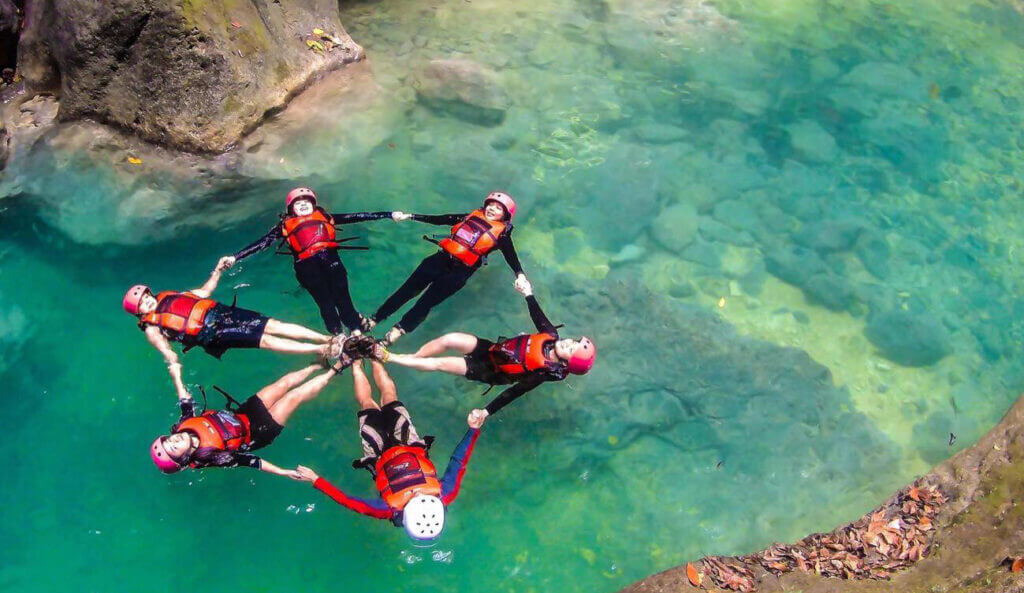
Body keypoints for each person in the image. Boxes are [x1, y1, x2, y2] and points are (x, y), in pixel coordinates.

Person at [293, 359, 487, 541]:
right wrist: (473, 429)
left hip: (378, 455)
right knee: (390, 398)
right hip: (409, 445)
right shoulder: (446, 492)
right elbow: (458, 461)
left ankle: (356, 365)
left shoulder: (386, 509)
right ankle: (375, 356)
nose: (418, 494)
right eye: (424, 497)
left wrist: (315, 480)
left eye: (415, 499)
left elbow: (348, 501)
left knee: (368, 405)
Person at [371, 279, 595, 419]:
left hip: (490, 371)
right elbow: (538, 315)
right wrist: (527, 292)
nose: (569, 343)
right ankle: (415, 356)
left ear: (566, 363)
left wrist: (486, 412)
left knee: (441, 363)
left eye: (572, 350)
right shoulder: (551, 336)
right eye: (574, 341)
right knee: (450, 338)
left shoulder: (543, 372)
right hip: (492, 350)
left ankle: (391, 358)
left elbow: (514, 393)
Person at [123, 257, 340, 400]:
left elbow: (205, 292)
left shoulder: (171, 295)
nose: (147, 302)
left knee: (274, 325)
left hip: (220, 311)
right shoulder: (152, 328)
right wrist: (180, 387)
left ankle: (326, 339)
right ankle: (319, 350)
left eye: (146, 297)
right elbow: (169, 355)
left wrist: (218, 270)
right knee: (264, 339)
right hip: (212, 334)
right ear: (139, 312)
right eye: (142, 303)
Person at [222, 187, 402, 335]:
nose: (302, 205)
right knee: (326, 304)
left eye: (306, 202)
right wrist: (235, 257)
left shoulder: (326, 217)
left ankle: (355, 331)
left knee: (344, 300)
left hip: (332, 263)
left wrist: (388, 214)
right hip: (307, 270)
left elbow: (358, 216)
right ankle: (338, 335)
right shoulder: (284, 227)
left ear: (313, 205)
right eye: (298, 203)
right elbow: (262, 243)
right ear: (291, 209)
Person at [366, 191, 531, 345]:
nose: (492, 209)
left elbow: (511, 256)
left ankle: (399, 330)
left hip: (459, 273)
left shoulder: (502, 236)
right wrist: (410, 216)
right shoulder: (469, 217)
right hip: (439, 260)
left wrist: (520, 275)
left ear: (505, 215)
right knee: (406, 290)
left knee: (426, 302)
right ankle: (375, 318)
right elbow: (442, 219)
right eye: (491, 205)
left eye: (498, 208)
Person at [149, 354, 354, 475]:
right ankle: (336, 368)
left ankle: (317, 364)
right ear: (184, 458)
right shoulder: (212, 456)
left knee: (282, 384)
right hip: (258, 433)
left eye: (170, 440)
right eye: (174, 447)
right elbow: (251, 461)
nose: (175, 439)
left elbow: (185, 399)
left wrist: (176, 374)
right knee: (294, 397)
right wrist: (283, 472)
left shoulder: (185, 423)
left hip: (243, 414)